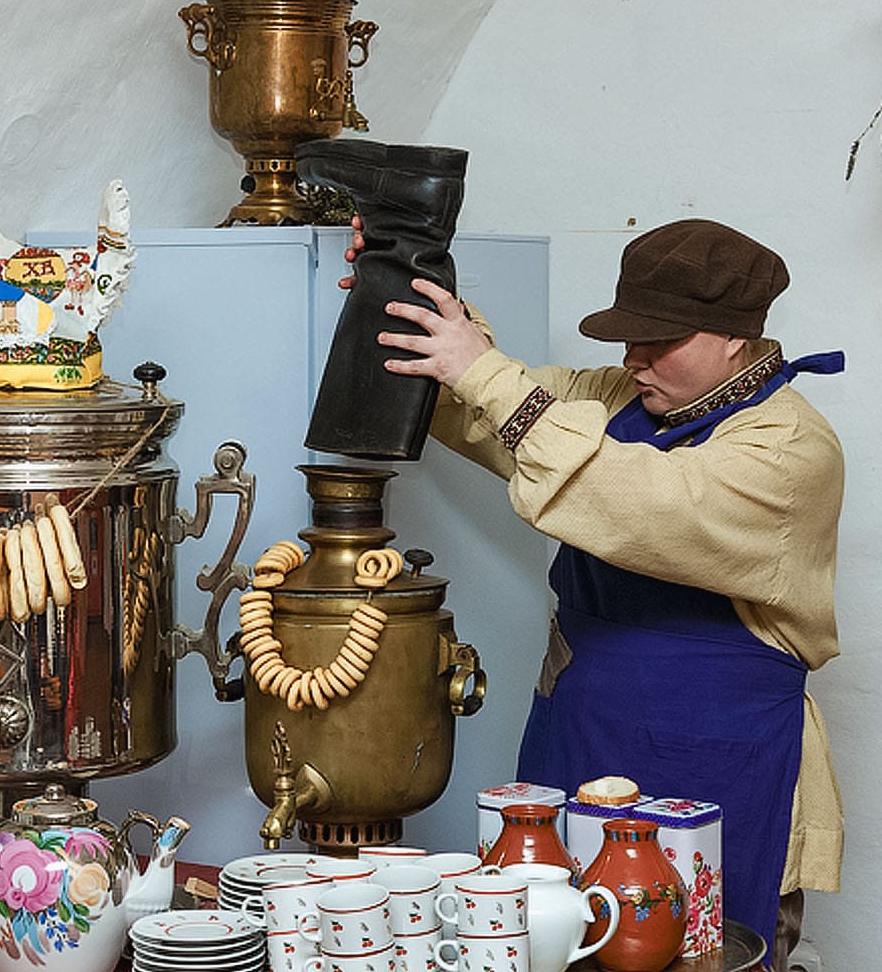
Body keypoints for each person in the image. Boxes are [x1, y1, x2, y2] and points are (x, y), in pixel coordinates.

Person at [345, 216, 844, 971]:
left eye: (660, 340)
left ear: (737, 336)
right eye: (627, 337)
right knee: (548, 946)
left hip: (722, 763)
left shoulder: (791, 449)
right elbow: (482, 409)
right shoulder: (614, 399)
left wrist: (485, 374)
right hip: (578, 738)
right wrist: (413, 302)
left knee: (701, 956)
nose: (634, 359)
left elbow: (640, 500)